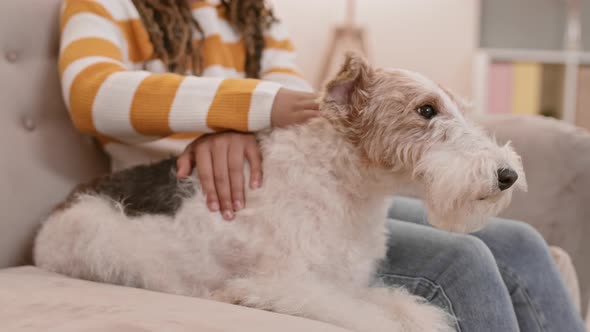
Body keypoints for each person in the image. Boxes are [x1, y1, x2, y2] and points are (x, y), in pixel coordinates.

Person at [59, 0, 585, 331]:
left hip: (274, 170)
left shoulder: (248, 12)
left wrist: (231, 126)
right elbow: (92, 94)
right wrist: (237, 114)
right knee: (461, 261)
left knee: (519, 243)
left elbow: (293, 97)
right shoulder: (104, 5)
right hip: (181, 189)